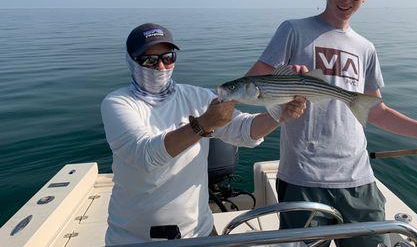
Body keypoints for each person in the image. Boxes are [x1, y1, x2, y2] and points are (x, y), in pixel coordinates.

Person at [247, 0, 417, 247]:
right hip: (303, 179)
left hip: (358, 179)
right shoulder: (293, 30)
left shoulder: (365, 48)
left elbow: (377, 112)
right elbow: (252, 85)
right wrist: (282, 82)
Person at [101, 23, 307, 245]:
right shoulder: (118, 103)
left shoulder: (196, 97)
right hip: (136, 239)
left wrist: (278, 116)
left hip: (200, 231)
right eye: (149, 60)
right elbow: (145, 156)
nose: (161, 66)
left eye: (168, 57)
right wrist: (204, 124)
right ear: (131, 62)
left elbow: (244, 131)